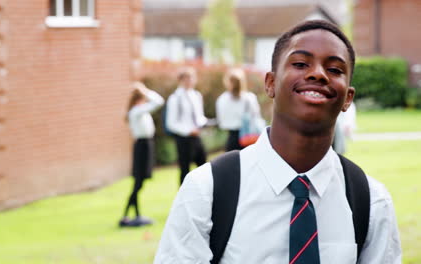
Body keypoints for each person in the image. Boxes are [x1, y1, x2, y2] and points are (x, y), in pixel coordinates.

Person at [154, 20, 401, 263]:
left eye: (335, 69)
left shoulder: (371, 202)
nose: (318, 73)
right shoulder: (206, 190)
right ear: (270, 83)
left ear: (348, 98)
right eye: (301, 63)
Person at [119, 82, 164, 227]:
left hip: (147, 145)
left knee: (140, 183)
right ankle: (127, 214)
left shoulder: (139, 111)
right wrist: (146, 90)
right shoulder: (136, 111)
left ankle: (133, 214)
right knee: (138, 182)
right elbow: (159, 101)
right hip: (141, 146)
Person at [166, 67, 208, 185]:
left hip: (196, 137)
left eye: (191, 78)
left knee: (204, 166)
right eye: (186, 78)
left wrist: (205, 124)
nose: (189, 81)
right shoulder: (175, 98)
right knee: (185, 170)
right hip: (183, 139)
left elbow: (199, 117)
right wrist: (189, 131)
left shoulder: (196, 95)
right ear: (180, 80)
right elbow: (171, 123)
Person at [216, 68, 264, 151]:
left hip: (232, 138)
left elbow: (221, 122)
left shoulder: (222, 99)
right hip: (248, 138)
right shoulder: (250, 98)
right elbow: (257, 117)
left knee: (232, 163)